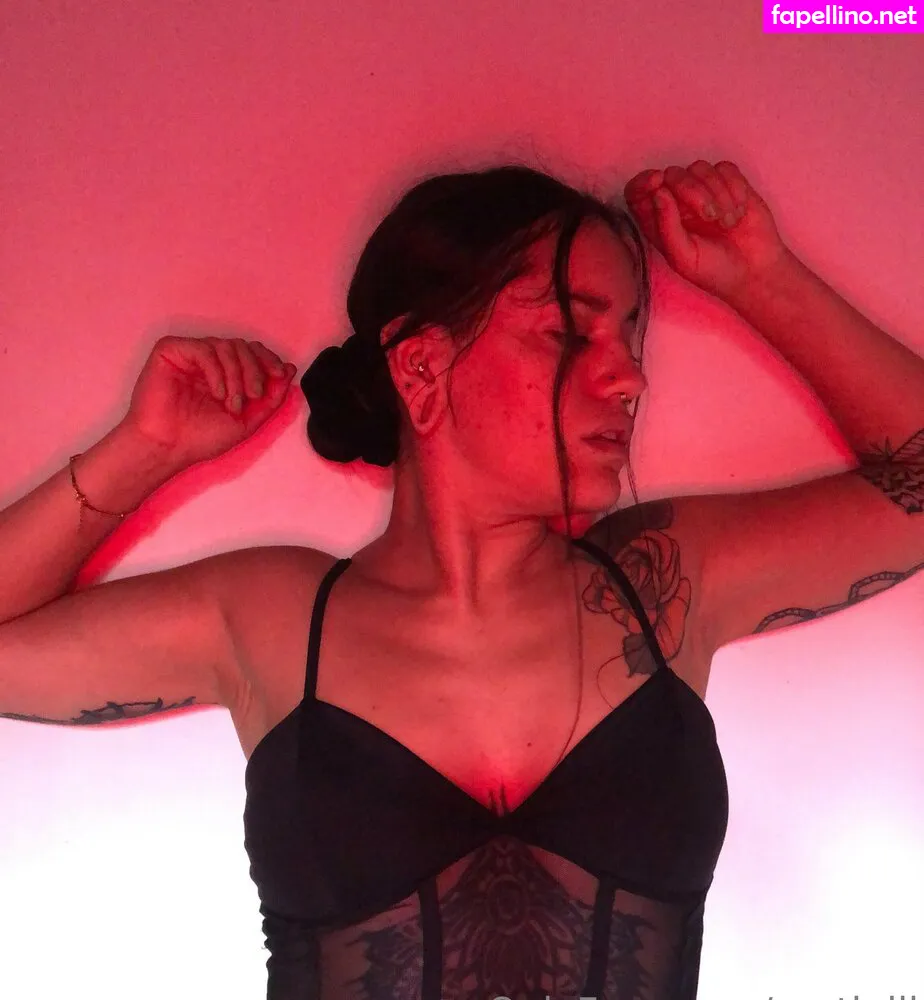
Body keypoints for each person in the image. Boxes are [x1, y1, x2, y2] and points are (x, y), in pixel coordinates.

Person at [2, 159, 922, 1000]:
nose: (629, 378)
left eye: (633, 335)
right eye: (571, 333)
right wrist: (144, 449)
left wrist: (762, 278)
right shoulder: (277, 618)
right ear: (422, 366)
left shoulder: (663, 580)